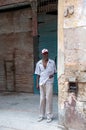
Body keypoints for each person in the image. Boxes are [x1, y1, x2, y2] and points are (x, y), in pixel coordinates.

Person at [35, 48, 57, 123]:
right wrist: (37, 83)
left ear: (48, 54)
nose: (45, 55)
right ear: (42, 54)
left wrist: (52, 74)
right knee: (42, 99)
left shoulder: (52, 62)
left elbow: (55, 72)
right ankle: (41, 115)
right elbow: (38, 74)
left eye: (46, 53)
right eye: (44, 54)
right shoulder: (38, 63)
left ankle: (49, 116)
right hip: (41, 83)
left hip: (49, 82)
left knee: (49, 99)